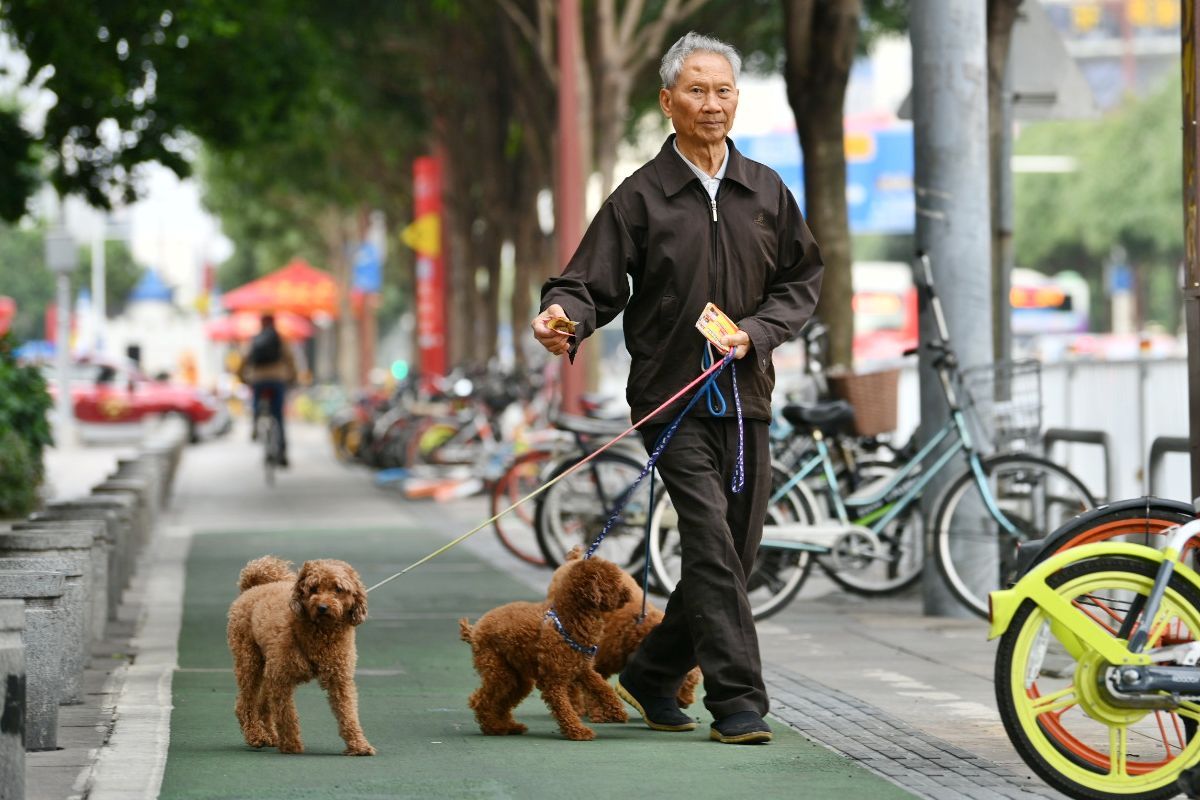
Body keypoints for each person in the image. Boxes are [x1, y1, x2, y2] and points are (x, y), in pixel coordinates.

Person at [531, 32, 823, 745]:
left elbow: (803, 281)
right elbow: (586, 279)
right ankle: (739, 703)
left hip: (746, 394)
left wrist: (757, 329)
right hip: (671, 401)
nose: (712, 104)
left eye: (723, 90)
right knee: (710, 545)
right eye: (696, 90)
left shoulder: (766, 190)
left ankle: (655, 670)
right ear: (668, 102)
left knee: (739, 555)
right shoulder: (642, 195)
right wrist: (562, 314)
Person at [237, 313, 297, 467]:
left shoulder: (254, 339)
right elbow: (290, 359)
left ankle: (256, 424)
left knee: (256, 403)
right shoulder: (280, 339)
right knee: (279, 416)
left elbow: (244, 360)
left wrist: (242, 377)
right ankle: (282, 452)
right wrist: (292, 377)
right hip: (277, 379)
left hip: (258, 379)